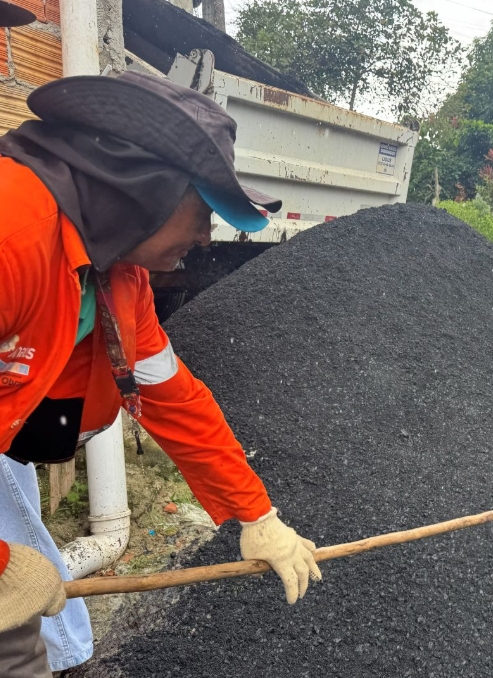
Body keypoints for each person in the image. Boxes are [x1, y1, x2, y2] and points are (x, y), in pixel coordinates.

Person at [0, 70, 321, 675]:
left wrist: (256, 514)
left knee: (17, 624)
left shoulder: (120, 277)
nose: (206, 238)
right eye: (202, 213)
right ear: (141, 189)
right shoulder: (11, 236)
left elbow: (170, 393)